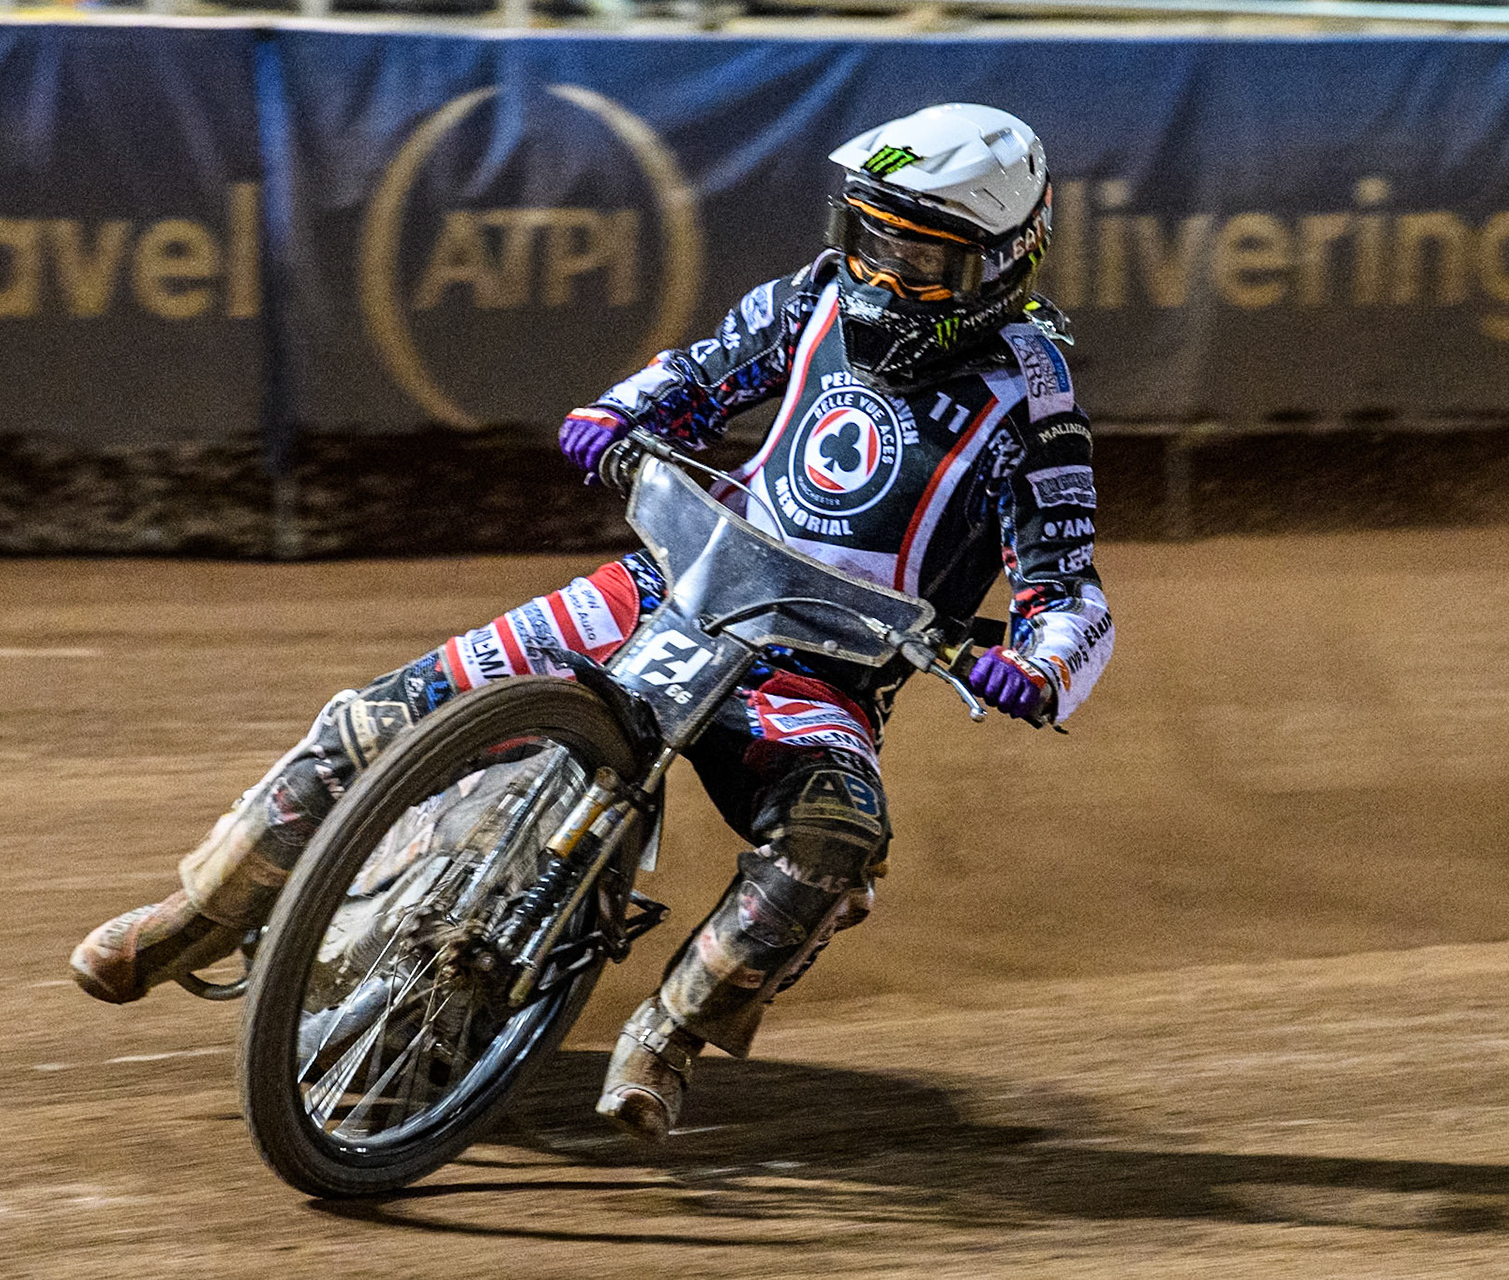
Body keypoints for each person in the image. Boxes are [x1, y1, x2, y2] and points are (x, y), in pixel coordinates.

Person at [70, 102, 1115, 1142]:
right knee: (389, 713)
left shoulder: (1033, 397)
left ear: (1001, 263)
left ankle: (670, 1033)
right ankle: (199, 912)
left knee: (835, 841)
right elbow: (702, 370)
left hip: (816, 675)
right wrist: (620, 412)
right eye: (872, 240)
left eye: (922, 261)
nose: (885, 277)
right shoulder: (814, 300)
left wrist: (1041, 666)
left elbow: (1066, 586)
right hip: (669, 584)